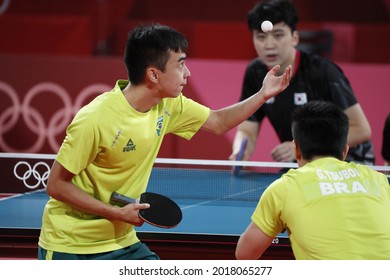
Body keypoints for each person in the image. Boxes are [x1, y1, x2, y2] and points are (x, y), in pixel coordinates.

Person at [37, 23, 291, 260]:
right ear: (154, 75)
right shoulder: (96, 118)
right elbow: (56, 185)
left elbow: (218, 122)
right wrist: (116, 213)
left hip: (122, 241)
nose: (188, 72)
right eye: (180, 64)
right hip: (71, 246)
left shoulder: (168, 105)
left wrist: (262, 95)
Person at [235, 100, 390, 260]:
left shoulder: (284, 189)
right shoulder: (380, 180)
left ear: (296, 150)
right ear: (344, 151)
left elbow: (244, 254)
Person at [230, 0, 375, 165]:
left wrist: (302, 146)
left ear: (294, 37)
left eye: (278, 35)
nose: (269, 45)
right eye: (261, 37)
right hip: (304, 161)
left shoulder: (322, 71)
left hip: (350, 162)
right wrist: (240, 151)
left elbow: (362, 130)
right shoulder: (256, 73)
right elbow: (247, 129)